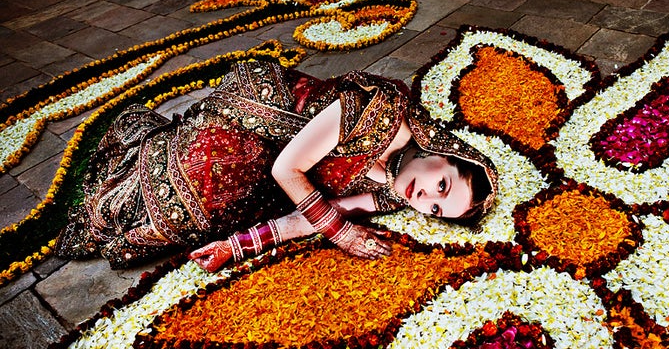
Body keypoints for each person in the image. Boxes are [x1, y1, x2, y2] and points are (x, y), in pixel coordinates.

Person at [55, 61, 498, 272]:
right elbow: (288, 171)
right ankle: (151, 139)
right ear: (440, 152)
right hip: (259, 113)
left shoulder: (392, 192)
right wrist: (340, 233)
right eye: (442, 185)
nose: (426, 200)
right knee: (188, 187)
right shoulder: (378, 108)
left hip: (276, 163)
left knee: (189, 223)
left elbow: (311, 216)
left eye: (438, 210)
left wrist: (238, 247)